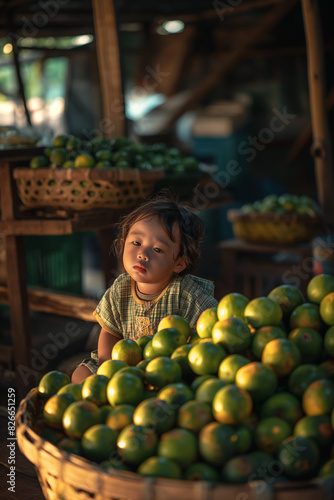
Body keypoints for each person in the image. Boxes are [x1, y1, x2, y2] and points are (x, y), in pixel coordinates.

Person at [72, 196, 218, 383]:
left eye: (157, 249)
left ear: (179, 263)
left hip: (167, 371)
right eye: (137, 243)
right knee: (80, 375)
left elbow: (212, 323)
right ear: (124, 241)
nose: (143, 254)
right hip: (123, 368)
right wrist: (108, 367)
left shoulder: (187, 294)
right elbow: (109, 332)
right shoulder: (120, 289)